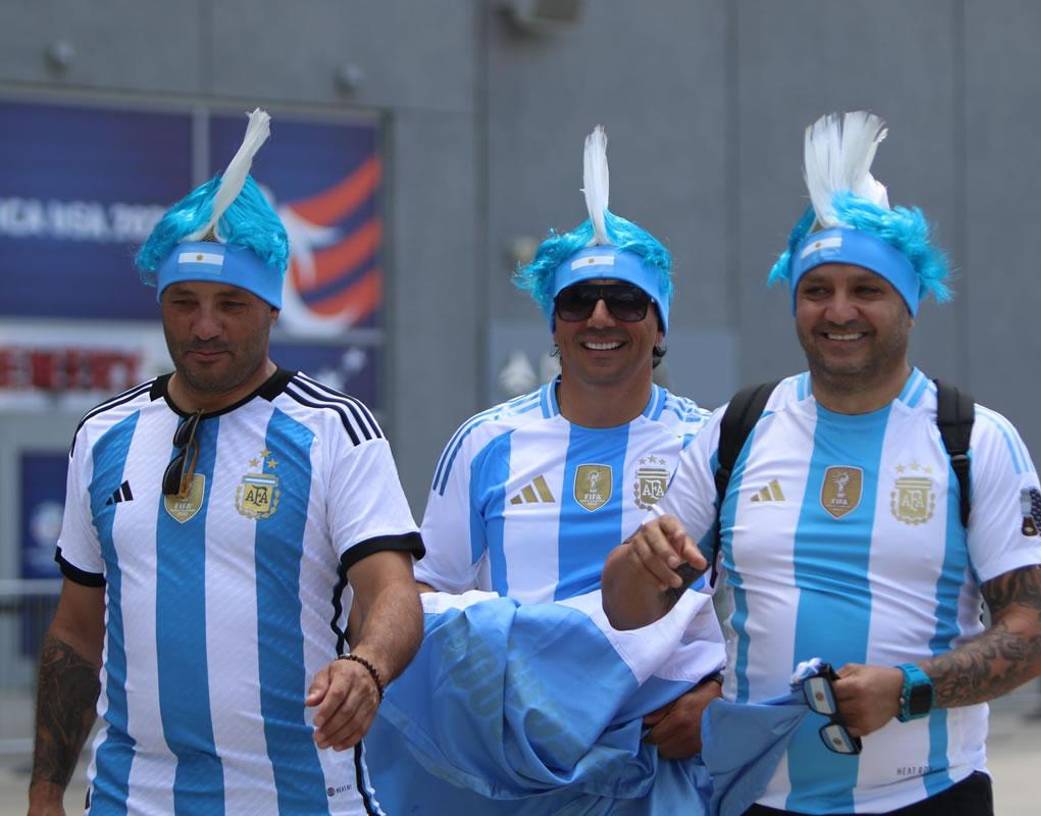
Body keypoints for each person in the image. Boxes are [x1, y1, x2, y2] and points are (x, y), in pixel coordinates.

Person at [602, 112, 1041, 815]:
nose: (838, 310)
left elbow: (1031, 636)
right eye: (817, 290)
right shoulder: (739, 428)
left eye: (866, 290)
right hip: (760, 799)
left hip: (930, 797)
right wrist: (638, 561)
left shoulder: (973, 438)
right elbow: (631, 610)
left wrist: (909, 689)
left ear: (908, 303)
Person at [28, 110, 424, 816]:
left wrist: (368, 665)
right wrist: (44, 791)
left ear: (272, 308)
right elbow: (75, 633)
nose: (204, 325)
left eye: (230, 304)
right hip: (130, 801)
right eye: (183, 302)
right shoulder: (103, 434)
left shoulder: (334, 429)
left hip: (302, 798)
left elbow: (392, 592)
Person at [383, 126, 715, 811]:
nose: (600, 316)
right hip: (516, 776)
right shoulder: (486, 441)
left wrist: (720, 698)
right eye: (577, 300)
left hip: (662, 768)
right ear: (554, 323)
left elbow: (753, 604)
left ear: (658, 324)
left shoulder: (709, 443)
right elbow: (424, 595)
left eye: (625, 300)